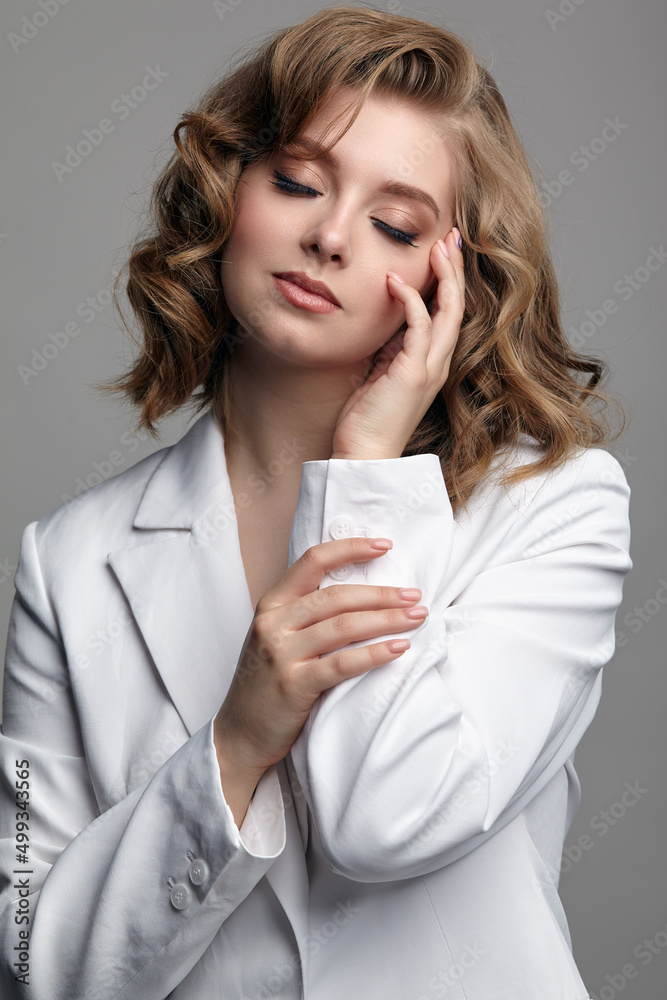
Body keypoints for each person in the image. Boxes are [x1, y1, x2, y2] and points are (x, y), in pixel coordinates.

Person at [0, 6, 632, 999]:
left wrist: (366, 461)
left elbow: (392, 819)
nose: (329, 235)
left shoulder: (555, 507)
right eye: (296, 181)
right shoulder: (68, 561)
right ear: (227, 190)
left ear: (452, 274)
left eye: (394, 222)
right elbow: (34, 953)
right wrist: (236, 742)